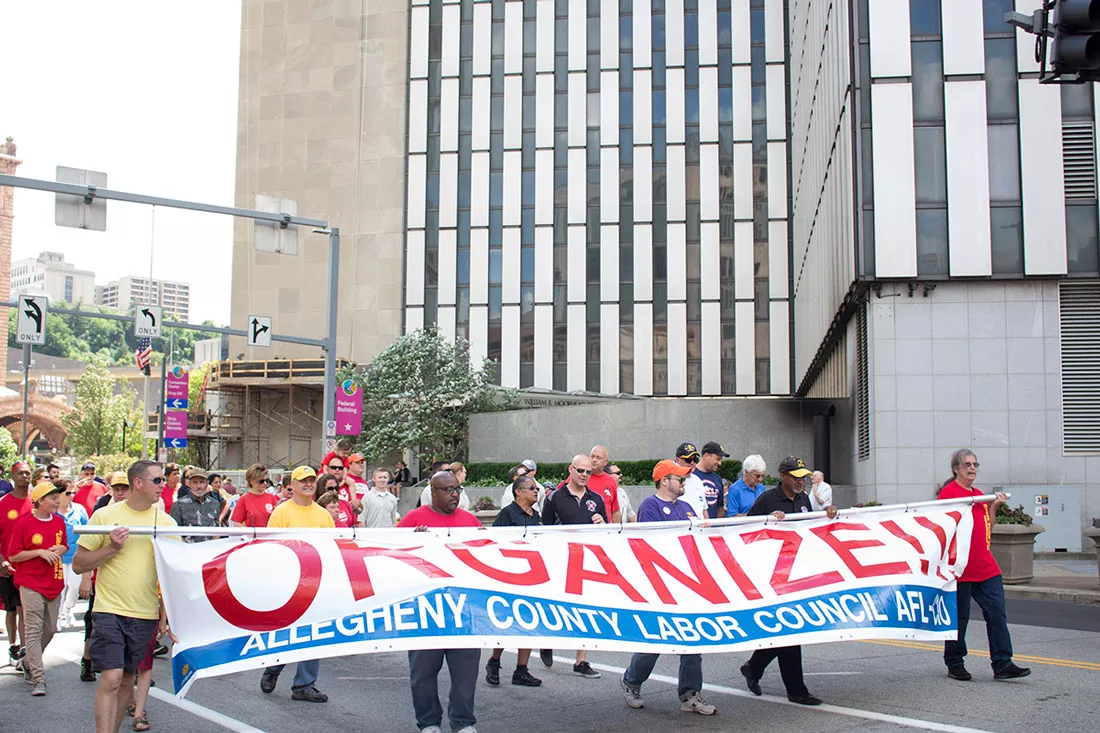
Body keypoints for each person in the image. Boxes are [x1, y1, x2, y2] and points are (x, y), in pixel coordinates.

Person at [74, 460, 178, 733]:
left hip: (144, 613)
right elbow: (79, 563)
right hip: (109, 609)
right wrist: (111, 547)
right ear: (138, 483)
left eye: (163, 480)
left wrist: (171, 618)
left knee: (126, 680)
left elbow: (173, 576)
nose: (163, 485)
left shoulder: (166, 523)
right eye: (157, 480)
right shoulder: (105, 516)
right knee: (111, 677)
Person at [739, 455, 838, 706]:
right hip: (772, 574)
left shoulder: (804, 500)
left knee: (788, 631)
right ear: (782, 476)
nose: (801, 481)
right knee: (790, 631)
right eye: (796, 477)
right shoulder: (768, 499)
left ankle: (754, 667)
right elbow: (745, 532)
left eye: (803, 477)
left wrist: (827, 515)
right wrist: (769, 521)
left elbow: (810, 528)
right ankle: (796, 690)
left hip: (796, 572)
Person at [621, 460, 715, 715]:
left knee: (692, 642)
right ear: (665, 480)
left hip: (687, 584)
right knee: (656, 641)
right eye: (679, 479)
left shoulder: (686, 507)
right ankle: (631, 681)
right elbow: (653, 544)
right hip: (661, 586)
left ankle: (690, 694)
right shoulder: (650, 506)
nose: (684, 483)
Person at [398, 471, 481, 733]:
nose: (454, 494)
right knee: (423, 673)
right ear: (433, 493)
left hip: (463, 609)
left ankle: (463, 721)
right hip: (426, 608)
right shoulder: (413, 520)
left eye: (457, 489)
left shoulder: (470, 521)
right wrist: (413, 542)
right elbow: (395, 557)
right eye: (448, 490)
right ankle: (429, 722)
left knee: (465, 673)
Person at [938, 449, 1030, 682]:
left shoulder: (978, 495)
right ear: (956, 469)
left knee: (997, 614)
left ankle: (1002, 663)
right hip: (961, 569)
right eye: (967, 464)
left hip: (986, 568)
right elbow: (942, 525)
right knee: (960, 619)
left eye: (975, 464)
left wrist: (994, 506)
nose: (972, 468)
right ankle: (955, 662)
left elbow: (986, 526)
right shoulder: (949, 494)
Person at [260, 466, 332, 703]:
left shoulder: (324, 515)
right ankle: (273, 668)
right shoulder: (281, 513)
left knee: (315, 633)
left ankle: (304, 684)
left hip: (316, 582)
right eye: (304, 481)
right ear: (294, 485)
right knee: (286, 632)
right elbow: (270, 548)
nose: (308, 484)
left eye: (312, 480)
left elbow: (332, 548)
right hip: (288, 581)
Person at [541, 455, 606, 679]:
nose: (584, 475)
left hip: (586, 560)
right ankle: (547, 641)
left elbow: (606, 530)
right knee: (557, 606)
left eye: (588, 472)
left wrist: (603, 524)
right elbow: (544, 530)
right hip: (560, 559)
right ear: (570, 469)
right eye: (580, 470)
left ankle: (581, 659)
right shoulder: (554, 498)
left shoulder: (596, 498)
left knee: (586, 608)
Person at [7, 481, 67, 695]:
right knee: (32, 630)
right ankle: (38, 678)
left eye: (57, 496)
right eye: (52, 497)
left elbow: (63, 545)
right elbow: (13, 555)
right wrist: (39, 552)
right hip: (30, 583)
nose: (57, 500)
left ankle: (27, 660)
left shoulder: (59, 522)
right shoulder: (24, 523)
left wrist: (60, 549)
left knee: (50, 629)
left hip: (54, 582)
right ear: (40, 501)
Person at [484, 475, 543, 689]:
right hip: (510, 575)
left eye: (536, 488)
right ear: (518, 491)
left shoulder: (536, 515)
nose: (536, 492)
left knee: (528, 622)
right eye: (531, 488)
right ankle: (495, 661)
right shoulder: (508, 514)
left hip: (531, 576)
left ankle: (521, 670)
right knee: (507, 623)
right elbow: (494, 541)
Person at [80, 473, 134, 683]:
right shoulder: (102, 512)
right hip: (101, 579)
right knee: (92, 623)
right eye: (117, 489)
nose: (121, 493)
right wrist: (86, 579)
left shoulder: (140, 512)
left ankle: (131, 669)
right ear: (111, 489)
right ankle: (87, 661)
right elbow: (87, 549)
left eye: (124, 488)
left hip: (128, 582)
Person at [0, 460, 33, 670]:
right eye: (20, 473)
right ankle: (13, 645)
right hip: (7, 567)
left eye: (28, 473)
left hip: (29, 567)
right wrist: (1, 559)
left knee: (26, 611)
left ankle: (25, 650)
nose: (25, 476)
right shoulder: (2, 503)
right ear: (13, 476)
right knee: (12, 610)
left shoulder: (36, 503)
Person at [58, 480, 89, 630]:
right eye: (67, 493)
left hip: (76, 555)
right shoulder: (53, 511)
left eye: (73, 493)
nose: (71, 496)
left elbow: (87, 531)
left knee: (75, 586)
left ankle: (67, 609)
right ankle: (58, 616)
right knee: (61, 587)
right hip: (59, 556)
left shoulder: (79, 510)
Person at [169, 467, 224, 542]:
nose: (198, 486)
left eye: (202, 482)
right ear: (190, 484)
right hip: (187, 550)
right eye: (195, 482)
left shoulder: (215, 504)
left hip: (210, 549)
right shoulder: (179, 505)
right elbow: (173, 533)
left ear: (207, 484)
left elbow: (216, 531)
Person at [687, 442, 728, 519]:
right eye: (717, 459)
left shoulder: (717, 479)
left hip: (713, 528)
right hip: (695, 527)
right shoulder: (690, 475)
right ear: (706, 455)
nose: (720, 463)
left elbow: (720, 508)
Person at [586, 446, 620, 523]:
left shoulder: (610, 481)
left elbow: (615, 510)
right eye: (592, 456)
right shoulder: (580, 476)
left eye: (598, 458)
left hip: (605, 530)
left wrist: (615, 531)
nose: (594, 460)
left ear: (605, 462)